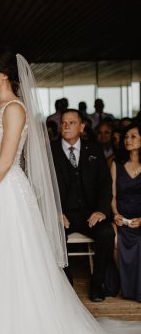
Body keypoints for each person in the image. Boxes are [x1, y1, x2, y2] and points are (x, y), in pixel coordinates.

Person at [0, 48, 141, 334]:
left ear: (4, 74)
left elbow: (7, 159)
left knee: (15, 262)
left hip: (7, 193)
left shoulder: (15, 109)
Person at [51, 109, 115, 301]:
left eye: (71, 122)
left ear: (82, 127)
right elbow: (41, 185)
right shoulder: (50, 151)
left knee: (106, 233)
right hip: (63, 214)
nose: (66, 126)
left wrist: (102, 210)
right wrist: (54, 211)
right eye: (63, 122)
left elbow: (105, 184)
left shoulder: (94, 149)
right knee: (51, 235)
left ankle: (97, 285)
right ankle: (67, 284)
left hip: (90, 214)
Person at [111, 122, 141, 301]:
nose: (128, 140)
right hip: (121, 217)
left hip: (140, 218)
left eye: (133, 136)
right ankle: (126, 286)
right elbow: (112, 195)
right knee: (116, 240)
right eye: (126, 137)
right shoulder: (117, 163)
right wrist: (115, 214)